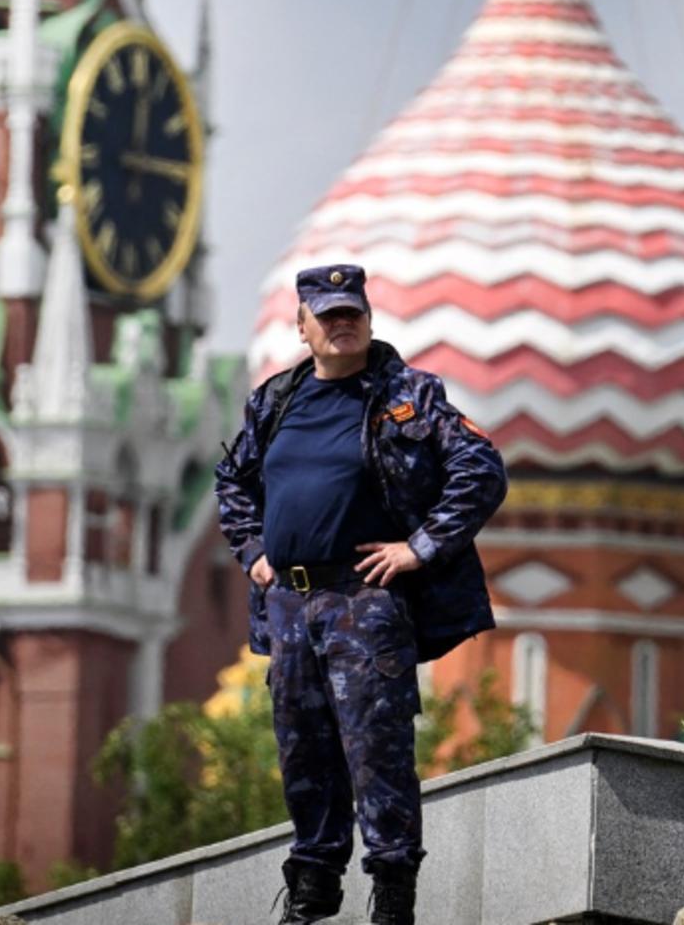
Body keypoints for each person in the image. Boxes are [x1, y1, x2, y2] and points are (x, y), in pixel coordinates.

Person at [214, 263, 507, 925]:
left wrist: (420, 548)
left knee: (377, 749)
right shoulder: (275, 401)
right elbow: (231, 481)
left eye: (353, 313)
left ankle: (393, 896)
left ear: (370, 321)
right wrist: (254, 553)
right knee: (303, 749)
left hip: (364, 604)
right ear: (302, 326)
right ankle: (312, 890)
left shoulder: (408, 395)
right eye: (328, 315)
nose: (342, 324)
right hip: (290, 606)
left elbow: (480, 469)